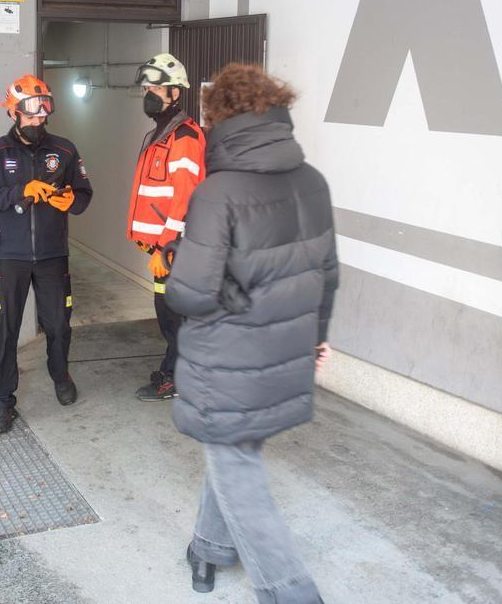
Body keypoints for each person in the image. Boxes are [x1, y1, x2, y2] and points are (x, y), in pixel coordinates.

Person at [165, 63, 337, 604]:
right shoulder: (313, 181)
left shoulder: (219, 192)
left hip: (228, 355)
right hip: (286, 349)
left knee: (237, 465)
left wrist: (178, 258)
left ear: (220, 119)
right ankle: (209, 546)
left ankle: (289, 591)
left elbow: (189, 295)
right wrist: (315, 338)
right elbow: (327, 272)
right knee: (236, 447)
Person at [0, 74, 93, 435]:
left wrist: (74, 200)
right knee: (5, 330)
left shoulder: (65, 150)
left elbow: (84, 194)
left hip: (54, 255)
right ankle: (3, 402)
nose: (39, 119)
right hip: (11, 256)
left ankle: (60, 375)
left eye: (44, 111)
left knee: (58, 324)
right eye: (31, 113)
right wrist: (19, 191)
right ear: (13, 112)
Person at [126, 52, 206, 400]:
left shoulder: (184, 137)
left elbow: (185, 197)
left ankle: (177, 378)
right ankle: (175, 369)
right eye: (147, 85)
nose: (149, 91)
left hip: (176, 250)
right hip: (167, 249)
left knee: (174, 317)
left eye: (156, 86)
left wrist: (165, 247)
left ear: (176, 92)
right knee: (168, 314)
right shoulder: (160, 134)